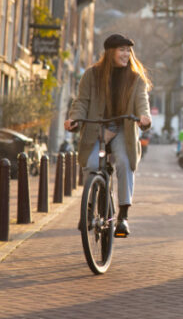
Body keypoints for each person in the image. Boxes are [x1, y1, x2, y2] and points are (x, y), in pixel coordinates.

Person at [65, 34, 151, 237]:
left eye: (128, 51)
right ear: (110, 52)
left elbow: (142, 101)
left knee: (124, 162)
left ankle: (122, 216)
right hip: (97, 127)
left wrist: (144, 117)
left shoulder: (136, 78)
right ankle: (88, 209)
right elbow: (82, 102)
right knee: (92, 164)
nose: (126, 54)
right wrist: (74, 119)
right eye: (121, 50)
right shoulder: (92, 75)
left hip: (123, 128)